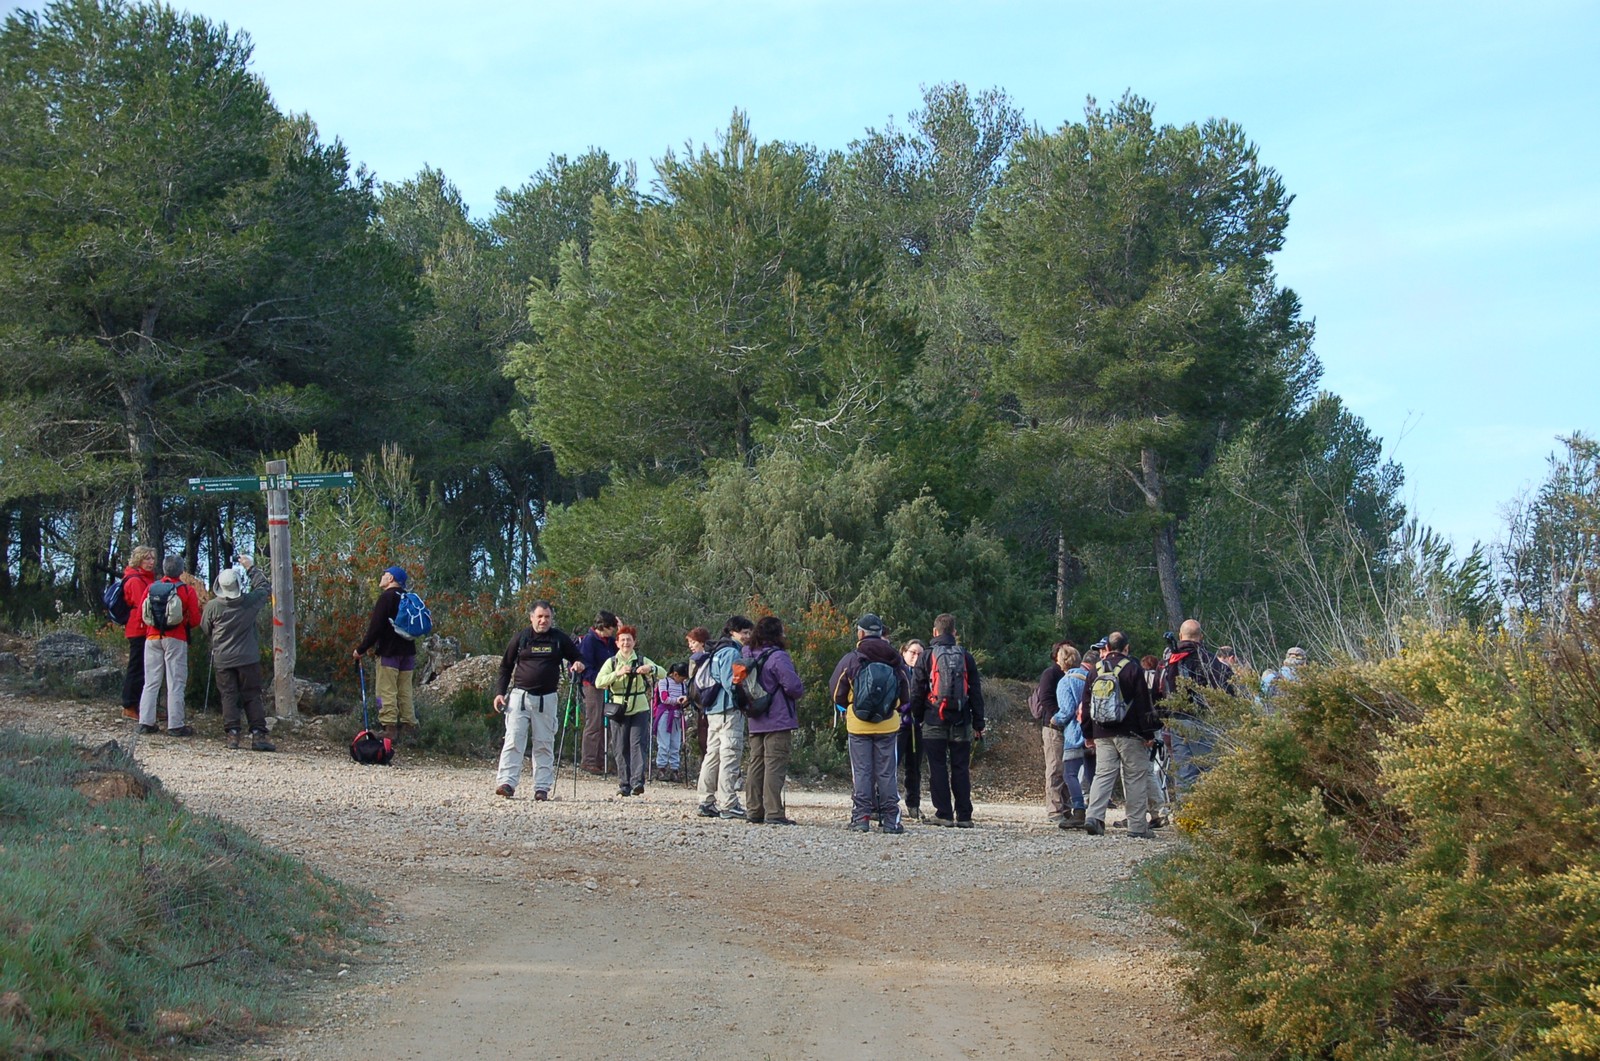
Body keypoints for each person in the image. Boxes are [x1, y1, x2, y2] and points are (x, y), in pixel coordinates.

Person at [492, 600, 584, 800]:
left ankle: (542, 788)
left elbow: (578, 657)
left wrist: (578, 664)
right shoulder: (521, 638)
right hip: (519, 698)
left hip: (547, 699)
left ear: (552, 618)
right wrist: (500, 693)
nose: (543, 620)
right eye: (540, 616)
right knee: (513, 740)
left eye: (547, 617)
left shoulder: (559, 638)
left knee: (544, 743)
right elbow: (505, 666)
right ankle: (507, 783)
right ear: (531, 617)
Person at [829, 614, 911, 833]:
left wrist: (846, 707)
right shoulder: (895, 659)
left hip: (858, 725)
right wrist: (895, 707)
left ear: (860, 633)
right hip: (888, 724)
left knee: (862, 771)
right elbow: (907, 693)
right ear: (881, 632)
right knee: (887, 773)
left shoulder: (852, 659)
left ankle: (861, 818)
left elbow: (836, 691)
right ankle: (891, 820)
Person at [1083, 631, 1161, 839]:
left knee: (1103, 775)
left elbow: (1086, 704)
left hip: (1101, 732)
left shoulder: (1095, 670)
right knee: (1135, 777)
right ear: (1126, 648)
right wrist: (1149, 734)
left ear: (1107, 648)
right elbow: (1143, 704)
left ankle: (1094, 817)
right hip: (1130, 733)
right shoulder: (1133, 669)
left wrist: (1088, 733)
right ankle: (1137, 826)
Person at [910, 613, 985, 828]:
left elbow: (917, 691)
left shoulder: (926, 656)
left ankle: (943, 813)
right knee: (960, 767)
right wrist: (978, 723)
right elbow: (975, 692)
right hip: (961, 719)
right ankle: (964, 815)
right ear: (954, 632)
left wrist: (917, 717)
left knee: (938, 766)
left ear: (935, 632)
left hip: (933, 718)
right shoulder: (966, 656)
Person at [199, 555, 275, 751]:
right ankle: (258, 735)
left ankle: (232, 735)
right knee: (252, 695)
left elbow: (205, 628)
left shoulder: (213, 607)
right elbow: (265, 587)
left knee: (228, 695)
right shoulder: (250, 602)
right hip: (248, 658)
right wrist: (250, 567)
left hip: (223, 659)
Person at [1158, 618, 1237, 794]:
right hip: (1203, 721)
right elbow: (1229, 688)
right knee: (1210, 770)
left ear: (1180, 636)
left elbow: (1157, 692)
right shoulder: (1208, 659)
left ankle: (1186, 810)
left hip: (1176, 722)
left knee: (1184, 774)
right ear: (1201, 637)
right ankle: (1210, 807)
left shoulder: (1168, 661)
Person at [743, 616, 805, 825]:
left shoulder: (747, 653)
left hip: (755, 716)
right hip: (777, 717)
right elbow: (794, 687)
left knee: (756, 763)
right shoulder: (778, 656)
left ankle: (754, 810)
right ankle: (774, 812)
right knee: (774, 764)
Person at [352, 565, 419, 743]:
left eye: (385, 574)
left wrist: (361, 649)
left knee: (386, 691)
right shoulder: (407, 598)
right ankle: (409, 728)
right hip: (408, 653)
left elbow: (376, 628)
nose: (381, 577)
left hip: (389, 652)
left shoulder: (386, 598)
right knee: (405, 691)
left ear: (391, 579)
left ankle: (389, 729)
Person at [695, 616, 753, 820]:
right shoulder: (732, 652)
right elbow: (732, 683)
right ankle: (728, 803)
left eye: (749, 632)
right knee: (730, 755)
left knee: (712, 755)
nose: (747, 636)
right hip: (729, 710)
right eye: (744, 632)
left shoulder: (716, 651)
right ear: (732, 632)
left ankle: (705, 800)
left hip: (713, 710)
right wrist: (744, 702)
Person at [137, 554, 202, 736]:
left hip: (152, 637)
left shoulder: (151, 588)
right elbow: (195, 619)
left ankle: (145, 722)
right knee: (175, 682)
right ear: (181, 571)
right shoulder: (186, 590)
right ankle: (175, 725)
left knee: (151, 682)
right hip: (176, 638)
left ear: (164, 569)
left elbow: (141, 613)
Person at [596, 625, 663, 797]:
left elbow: (662, 673)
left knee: (638, 744)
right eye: (623, 640)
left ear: (634, 642)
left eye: (629, 639)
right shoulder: (612, 662)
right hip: (618, 709)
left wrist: (650, 669)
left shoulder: (641, 660)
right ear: (617, 643)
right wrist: (617, 674)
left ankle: (637, 782)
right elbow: (599, 682)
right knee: (620, 746)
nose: (626, 643)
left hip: (639, 707)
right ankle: (624, 783)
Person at [1049, 644, 1089, 829]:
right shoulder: (1089, 677)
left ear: (1063, 661)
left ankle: (1079, 811)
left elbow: (1067, 710)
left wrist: (1054, 720)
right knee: (1091, 774)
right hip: (1093, 733)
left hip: (1074, 733)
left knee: (1070, 773)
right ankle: (1095, 812)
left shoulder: (1066, 682)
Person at [1035, 641, 1074, 825]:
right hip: (1053, 728)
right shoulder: (1050, 674)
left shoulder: (1072, 674)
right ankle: (1054, 809)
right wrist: (1059, 716)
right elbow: (1045, 698)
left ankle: (1066, 808)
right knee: (1055, 768)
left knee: (1068, 769)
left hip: (1069, 728)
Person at [576, 611, 619, 774]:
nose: (613, 631)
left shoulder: (609, 642)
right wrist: (599, 681)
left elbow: (622, 652)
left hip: (607, 684)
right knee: (594, 722)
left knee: (605, 722)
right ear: (605, 626)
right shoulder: (589, 641)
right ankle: (589, 760)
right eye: (612, 627)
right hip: (592, 686)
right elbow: (586, 665)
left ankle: (601, 760)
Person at [118, 545, 158, 720]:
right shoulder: (135, 580)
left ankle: (143, 706)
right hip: (138, 629)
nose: (151, 562)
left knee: (145, 668)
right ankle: (129, 705)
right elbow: (143, 605)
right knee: (136, 668)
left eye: (152, 558)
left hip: (144, 628)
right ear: (139, 560)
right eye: (147, 558)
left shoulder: (146, 578)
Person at [897, 639, 926, 820]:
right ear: (904, 652)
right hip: (899, 725)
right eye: (912, 652)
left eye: (919, 654)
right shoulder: (897, 670)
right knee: (891, 765)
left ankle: (913, 804)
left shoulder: (925, 672)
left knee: (914, 767)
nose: (916, 656)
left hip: (917, 725)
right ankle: (884, 803)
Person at [651, 662, 691, 782]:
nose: (683, 680)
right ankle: (661, 769)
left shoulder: (683, 685)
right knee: (664, 743)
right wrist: (677, 700)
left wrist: (685, 702)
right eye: (682, 677)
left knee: (675, 744)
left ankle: (675, 769)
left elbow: (685, 697)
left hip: (677, 715)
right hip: (665, 714)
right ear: (675, 674)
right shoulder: (664, 682)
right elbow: (664, 698)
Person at [684, 627, 712, 769]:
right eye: (689, 642)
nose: (691, 646)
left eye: (693, 642)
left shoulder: (709, 659)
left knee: (708, 742)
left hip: (709, 705)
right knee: (702, 741)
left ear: (702, 642)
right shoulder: (696, 660)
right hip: (699, 706)